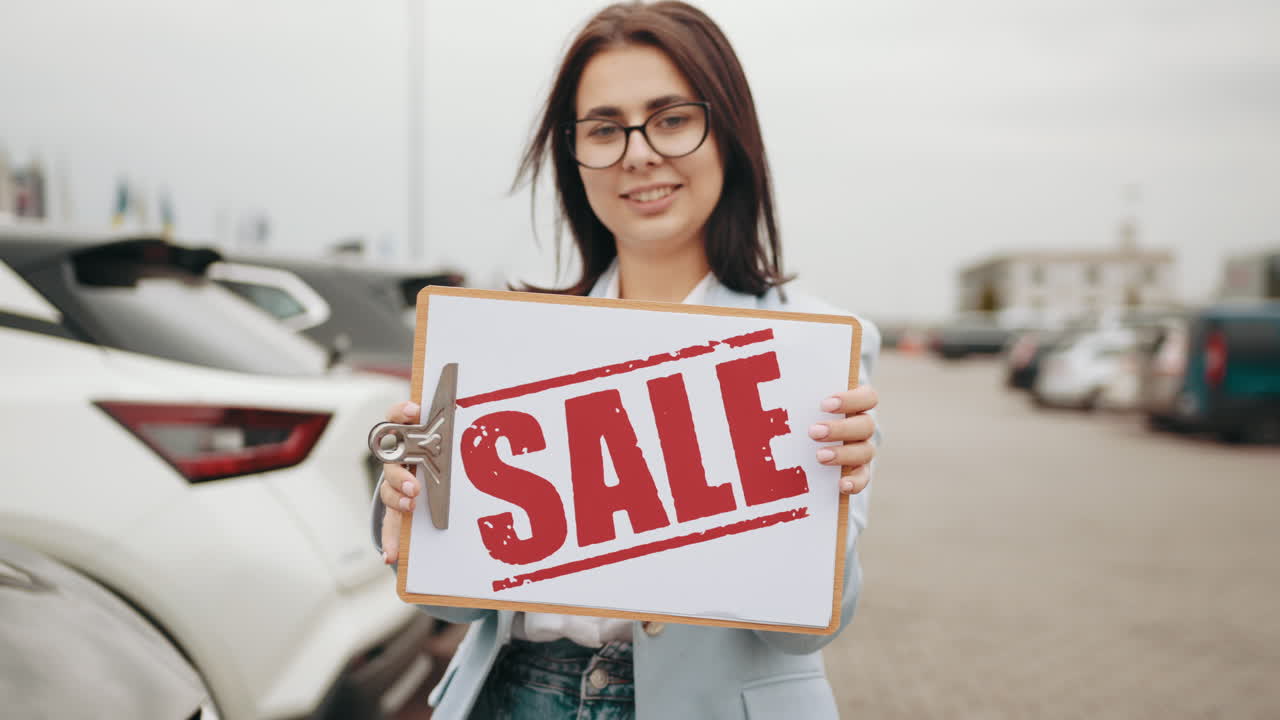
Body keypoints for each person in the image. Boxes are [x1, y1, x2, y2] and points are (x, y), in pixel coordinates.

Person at [372, 2, 881, 718]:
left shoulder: (812, 347)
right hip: (514, 696)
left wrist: (827, 506)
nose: (639, 153)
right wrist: (413, 510)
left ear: (729, 132)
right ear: (573, 155)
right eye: (605, 129)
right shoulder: (503, 344)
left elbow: (804, 632)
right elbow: (452, 604)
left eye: (672, 118)